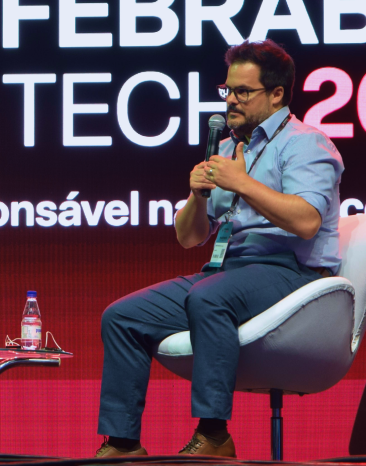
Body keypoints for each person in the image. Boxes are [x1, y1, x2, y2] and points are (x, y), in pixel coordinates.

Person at [95, 40, 344, 458]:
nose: (231, 100)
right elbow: (190, 238)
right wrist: (197, 196)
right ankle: (122, 442)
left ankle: (214, 435)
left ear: (277, 94)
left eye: (243, 92)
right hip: (229, 270)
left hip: (292, 273)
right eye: (227, 90)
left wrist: (241, 182)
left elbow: (306, 222)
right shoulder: (227, 149)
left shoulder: (306, 144)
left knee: (208, 297)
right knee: (122, 317)